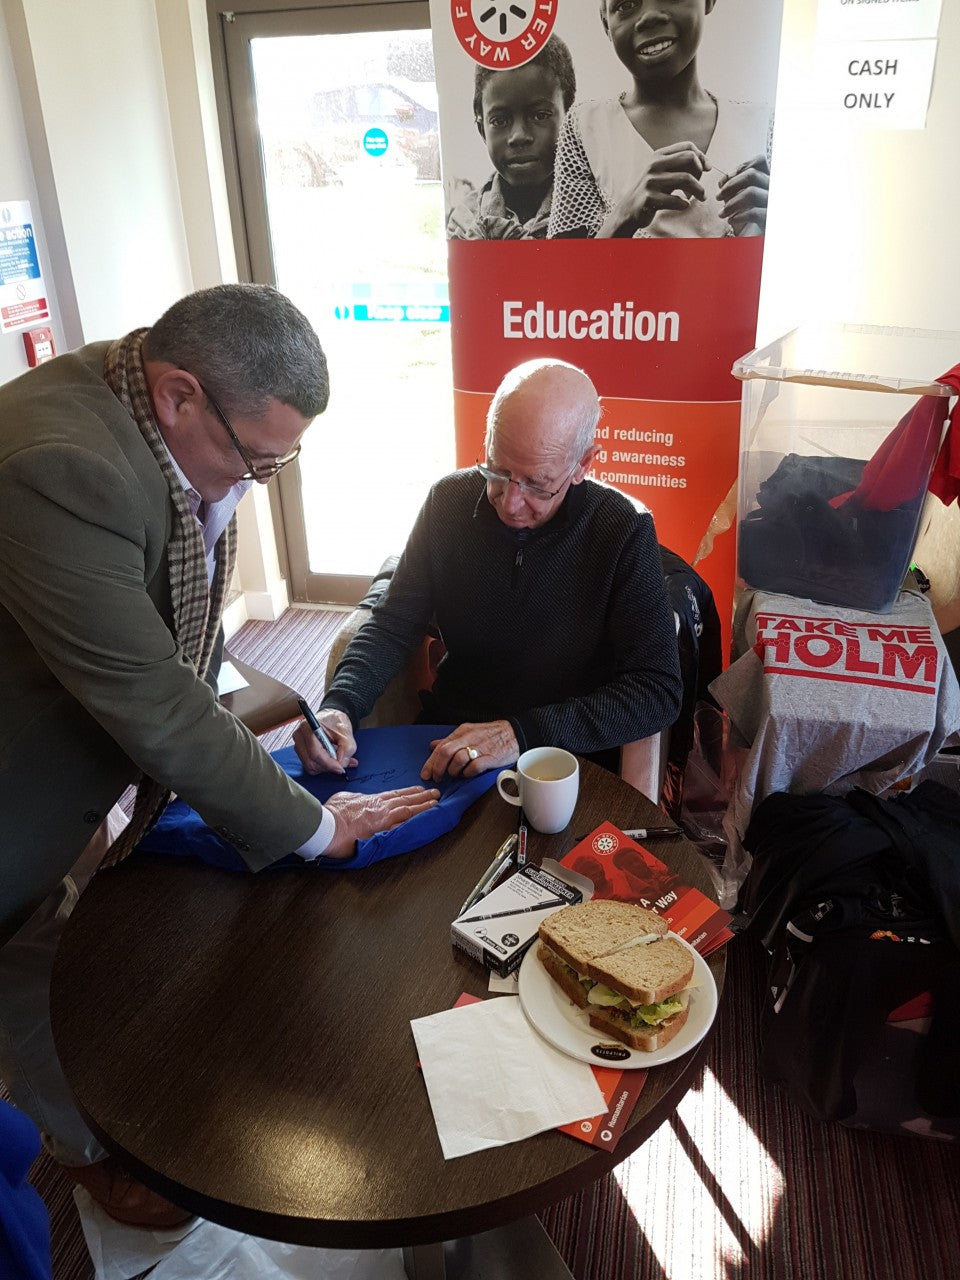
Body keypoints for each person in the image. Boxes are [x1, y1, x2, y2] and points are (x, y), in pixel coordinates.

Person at [0, 283, 438, 1225]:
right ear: (177, 395)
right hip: (12, 786)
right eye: (257, 458)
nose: (256, 481)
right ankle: (85, 1159)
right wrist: (319, 831)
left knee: (42, 956)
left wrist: (270, 729)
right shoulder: (60, 466)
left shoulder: (156, 423)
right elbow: (152, 698)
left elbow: (177, 626)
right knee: (24, 954)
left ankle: (87, 1128)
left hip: (51, 770)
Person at [294, 357, 683, 784]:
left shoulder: (621, 528)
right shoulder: (448, 502)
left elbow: (656, 690)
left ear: (584, 465)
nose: (510, 504)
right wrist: (340, 705)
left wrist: (520, 734)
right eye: (498, 470)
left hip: (564, 761)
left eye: (537, 484)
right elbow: (392, 622)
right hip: (450, 737)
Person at [548, 0, 771, 239]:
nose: (649, 17)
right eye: (626, 4)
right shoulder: (586, 128)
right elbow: (564, 271)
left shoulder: (762, 126)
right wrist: (623, 217)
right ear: (606, 25)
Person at [446, 35, 576, 240]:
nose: (519, 136)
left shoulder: (596, 212)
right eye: (499, 121)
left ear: (570, 121)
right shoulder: (465, 221)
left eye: (540, 115)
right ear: (482, 129)